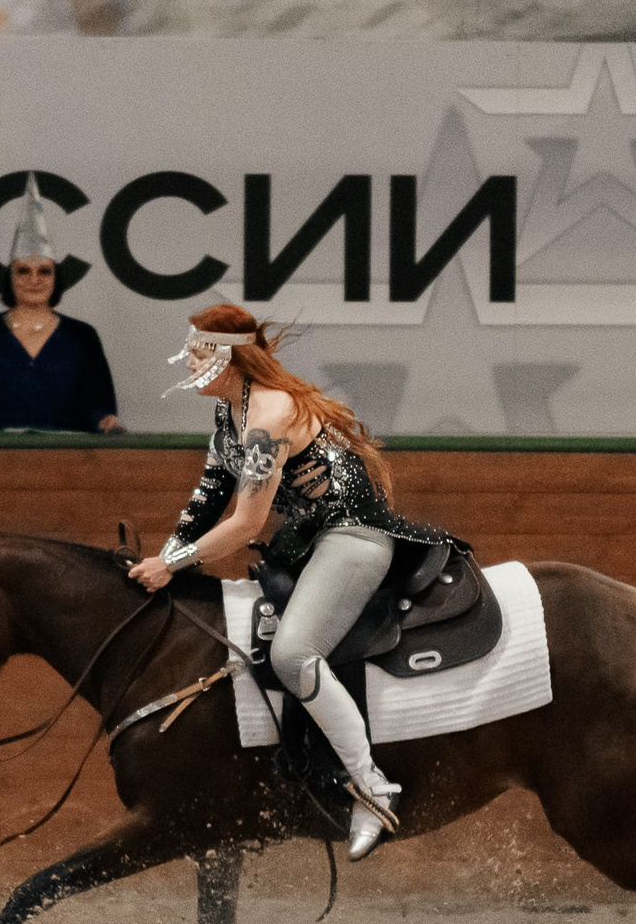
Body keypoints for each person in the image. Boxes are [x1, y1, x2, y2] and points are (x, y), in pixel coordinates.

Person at [125, 303, 455, 860]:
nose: (188, 360)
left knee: (294, 654)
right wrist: (162, 556)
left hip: (353, 534)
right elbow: (207, 500)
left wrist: (173, 565)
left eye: (199, 350)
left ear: (227, 355)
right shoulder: (230, 414)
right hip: (308, 540)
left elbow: (247, 522)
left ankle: (372, 788)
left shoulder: (270, 413)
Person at [0, 175, 122, 433]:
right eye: (23, 271)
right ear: (9, 278)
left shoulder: (82, 337)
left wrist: (105, 421)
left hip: (67, 464)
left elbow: (98, 406)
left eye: (44, 271)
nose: (34, 280)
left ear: (56, 278)